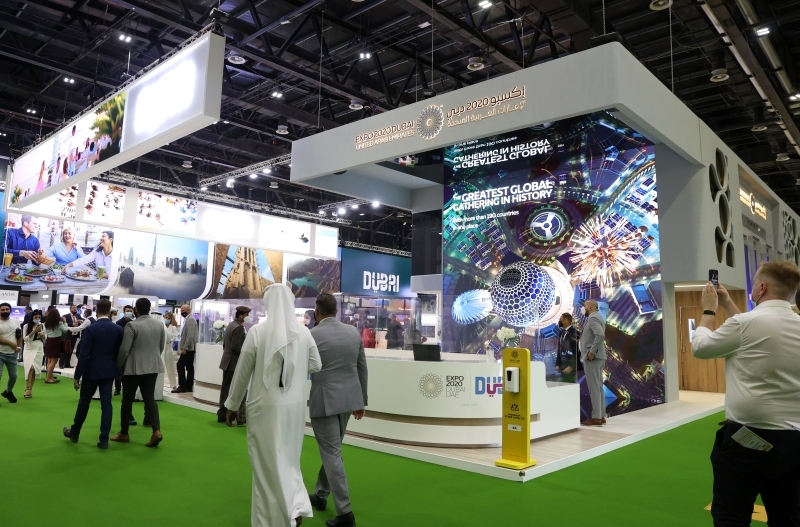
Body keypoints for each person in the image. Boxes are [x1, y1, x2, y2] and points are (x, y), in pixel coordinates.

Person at [692, 261, 800, 527]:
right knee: (788, 517)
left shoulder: (746, 324)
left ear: (762, 288)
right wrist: (728, 303)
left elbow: (701, 347)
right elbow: (754, 333)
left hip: (747, 441)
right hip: (794, 443)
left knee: (731, 515)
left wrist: (709, 309)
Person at [224, 285, 322, 527]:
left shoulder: (258, 332)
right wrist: (293, 373)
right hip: (295, 408)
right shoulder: (304, 332)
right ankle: (294, 507)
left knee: (266, 464)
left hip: (264, 407)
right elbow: (316, 365)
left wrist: (232, 404)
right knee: (289, 460)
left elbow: (243, 372)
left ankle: (273, 519)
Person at [307, 292, 368, 527]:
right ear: (336, 310)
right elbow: (362, 369)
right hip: (348, 400)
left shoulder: (312, 334)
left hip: (324, 401)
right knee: (333, 450)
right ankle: (321, 495)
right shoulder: (353, 332)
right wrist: (361, 401)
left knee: (331, 453)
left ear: (317, 311)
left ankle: (345, 513)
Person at [62, 300, 123, 449]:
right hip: (109, 371)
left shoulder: (91, 329)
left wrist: (77, 376)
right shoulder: (117, 329)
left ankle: (75, 432)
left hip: (91, 371)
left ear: (97, 311)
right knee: (106, 404)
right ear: (110, 311)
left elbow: (84, 354)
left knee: (84, 402)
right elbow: (119, 352)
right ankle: (104, 439)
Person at [111, 298, 166, 447]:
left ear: (136, 309)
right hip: (152, 367)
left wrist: (118, 365)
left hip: (133, 368)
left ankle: (124, 433)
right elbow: (160, 347)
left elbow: (124, 349)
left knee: (127, 400)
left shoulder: (132, 325)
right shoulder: (159, 325)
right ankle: (156, 430)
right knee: (149, 399)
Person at [217, 306, 251, 423]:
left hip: (227, 361)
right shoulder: (239, 328)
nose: (248, 317)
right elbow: (236, 347)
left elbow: (225, 345)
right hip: (234, 363)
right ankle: (240, 417)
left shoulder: (231, 325)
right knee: (239, 390)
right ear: (241, 315)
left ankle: (222, 414)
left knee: (225, 389)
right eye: (247, 315)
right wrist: (247, 352)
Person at [579, 299, 607, 426]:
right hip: (598, 357)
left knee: (594, 388)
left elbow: (600, 335)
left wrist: (592, 351)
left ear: (590, 308)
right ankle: (601, 415)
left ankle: (596, 417)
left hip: (593, 358)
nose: (583, 308)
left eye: (584, 306)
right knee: (599, 387)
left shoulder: (593, 318)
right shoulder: (598, 317)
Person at [0, 303, 22, 404]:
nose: (5, 311)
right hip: (0, 353)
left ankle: (8, 391)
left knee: (14, 376)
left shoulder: (15, 321)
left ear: (10, 310)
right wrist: (12, 344)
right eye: (2, 309)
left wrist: (18, 347)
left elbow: (19, 335)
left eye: (7, 309)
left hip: (12, 354)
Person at [174, 304, 198, 393]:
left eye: (183, 311)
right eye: (181, 311)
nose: (182, 312)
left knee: (180, 365)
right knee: (189, 367)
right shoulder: (188, 319)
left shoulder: (190, 319)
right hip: (190, 348)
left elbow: (190, 335)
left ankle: (182, 386)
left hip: (189, 348)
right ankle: (189, 386)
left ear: (188, 310)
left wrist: (185, 348)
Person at [22, 310, 45, 399]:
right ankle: (27, 388)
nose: (37, 319)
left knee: (35, 369)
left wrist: (42, 335)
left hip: (39, 348)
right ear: (32, 317)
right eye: (36, 317)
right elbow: (25, 338)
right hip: (29, 348)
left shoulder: (42, 325)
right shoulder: (26, 326)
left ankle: (30, 389)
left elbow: (46, 337)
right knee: (30, 368)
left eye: (39, 317)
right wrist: (34, 331)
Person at [43, 308, 69, 384]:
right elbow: (65, 330)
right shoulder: (59, 323)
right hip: (56, 342)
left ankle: (49, 376)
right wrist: (65, 322)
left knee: (49, 360)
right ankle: (48, 378)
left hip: (48, 341)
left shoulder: (46, 323)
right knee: (54, 361)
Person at [113, 305, 134, 396]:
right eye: (127, 311)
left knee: (128, 370)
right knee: (119, 369)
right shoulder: (119, 322)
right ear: (124, 311)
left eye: (130, 311)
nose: (129, 312)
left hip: (131, 349)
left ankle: (127, 388)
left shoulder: (133, 323)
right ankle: (117, 388)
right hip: (120, 348)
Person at [555, 313, 579, 383]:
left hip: (570, 366)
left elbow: (577, 351)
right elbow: (559, 349)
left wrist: (571, 366)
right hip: (562, 364)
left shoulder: (575, 333)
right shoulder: (561, 333)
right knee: (564, 384)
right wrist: (557, 363)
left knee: (570, 384)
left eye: (560, 319)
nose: (559, 321)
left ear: (565, 321)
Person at [162, 312, 179, 391]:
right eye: (166, 318)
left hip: (168, 348)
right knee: (160, 368)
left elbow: (173, 338)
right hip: (161, 348)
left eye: (169, 318)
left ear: (171, 319)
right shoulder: (161, 326)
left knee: (170, 367)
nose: (167, 319)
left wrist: (167, 339)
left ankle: (173, 385)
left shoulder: (173, 328)